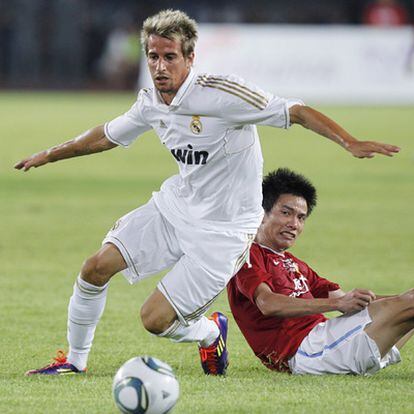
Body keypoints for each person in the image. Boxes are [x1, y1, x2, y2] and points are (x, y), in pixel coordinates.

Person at [15, 9, 400, 377]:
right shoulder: (151, 102)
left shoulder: (223, 95)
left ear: (190, 57)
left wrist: (348, 141)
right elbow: (105, 135)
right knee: (94, 267)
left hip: (225, 233)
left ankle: (209, 332)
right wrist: (50, 154)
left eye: (169, 57)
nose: (159, 67)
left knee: (155, 321)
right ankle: (75, 361)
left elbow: (294, 111)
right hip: (176, 208)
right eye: (152, 57)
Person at [227, 168, 413, 375]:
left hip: (327, 340)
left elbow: (346, 300)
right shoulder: (247, 255)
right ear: (261, 214)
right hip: (305, 352)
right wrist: (338, 304)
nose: (294, 224)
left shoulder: (292, 263)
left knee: (411, 298)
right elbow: (267, 303)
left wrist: (400, 298)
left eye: (301, 218)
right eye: (286, 213)